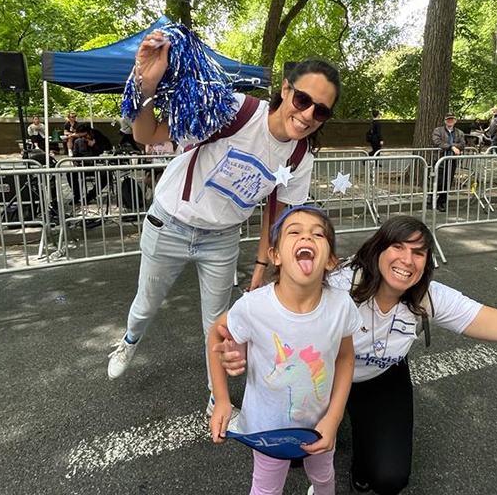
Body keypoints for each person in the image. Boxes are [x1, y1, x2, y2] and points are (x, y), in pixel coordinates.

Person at [216, 215, 497, 495]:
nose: (407, 259)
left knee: (388, 478)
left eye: (419, 252)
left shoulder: (428, 297)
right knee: (296, 453)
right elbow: (278, 308)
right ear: (376, 250)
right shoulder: (337, 282)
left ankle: (360, 459)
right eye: (397, 247)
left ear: (427, 263)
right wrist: (237, 352)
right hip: (320, 376)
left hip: (377, 378)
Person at [106, 27, 342, 394]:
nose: (308, 114)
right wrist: (145, 86)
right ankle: (130, 341)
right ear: (285, 90)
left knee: (217, 324)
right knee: (145, 305)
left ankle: (217, 399)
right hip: (169, 222)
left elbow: (278, 214)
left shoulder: (300, 155)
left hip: (221, 239)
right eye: (302, 100)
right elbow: (147, 135)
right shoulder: (234, 110)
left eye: (321, 110)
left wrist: (264, 265)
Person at [208, 205, 360, 495]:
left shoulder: (341, 305)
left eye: (318, 233)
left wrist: (334, 417)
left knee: (324, 477)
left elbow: (345, 357)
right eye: (295, 232)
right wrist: (222, 400)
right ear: (275, 255)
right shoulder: (254, 306)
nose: (307, 237)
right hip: (267, 430)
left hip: (320, 424)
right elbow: (217, 331)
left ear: (330, 260)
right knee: (266, 488)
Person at [68, 123, 114, 205]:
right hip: (84, 166)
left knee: (106, 174)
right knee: (70, 174)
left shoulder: (102, 139)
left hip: (98, 166)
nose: (83, 139)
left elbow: (108, 152)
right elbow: (75, 155)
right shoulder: (78, 142)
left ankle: (90, 196)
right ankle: (77, 195)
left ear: (90, 132)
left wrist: (94, 146)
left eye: (85, 136)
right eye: (80, 137)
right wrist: (76, 163)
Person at [430, 113, 466, 212]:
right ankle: (431, 196)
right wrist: (451, 147)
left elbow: (462, 144)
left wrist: (453, 146)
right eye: (448, 119)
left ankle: (441, 202)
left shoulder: (459, 132)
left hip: (452, 160)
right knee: (438, 180)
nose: (450, 121)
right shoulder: (438, 130)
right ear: (445, 121)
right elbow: (437, 142)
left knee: (447, 182)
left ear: (455, 121)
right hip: (440, 159)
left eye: (452, 119)